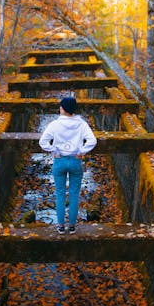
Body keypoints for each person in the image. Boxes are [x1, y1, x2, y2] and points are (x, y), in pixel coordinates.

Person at [39, 96, 97, 234]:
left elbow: (43, 142)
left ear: (63, 108)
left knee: (59, 194)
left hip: (60, 161)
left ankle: (60, 226)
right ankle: (71, 226)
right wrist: (81, 151)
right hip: (75, 161)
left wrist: (54, 150)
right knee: (74, 194)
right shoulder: (82, 124)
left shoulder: (54, 125)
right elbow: (92, 141)